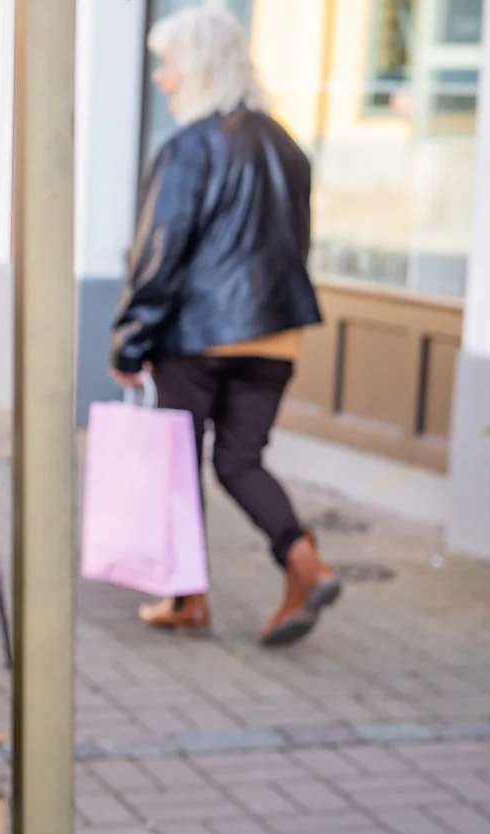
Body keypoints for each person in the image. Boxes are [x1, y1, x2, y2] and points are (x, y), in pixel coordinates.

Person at [109, 7, 339, 647]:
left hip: (198, 336)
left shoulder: (189, 147)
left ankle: (188, 598)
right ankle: (306, 564)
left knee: (178, 466)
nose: (161, 78)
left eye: (169, 65)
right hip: (276, 335)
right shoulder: (288, 145)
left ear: (199, 67)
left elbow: (160, 251)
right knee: (240, 461)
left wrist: (130, 340)